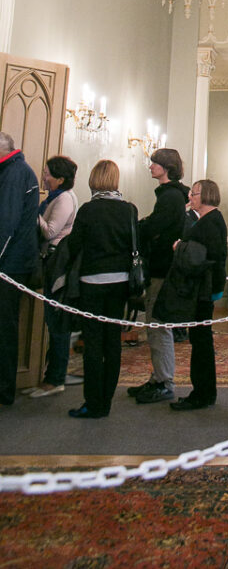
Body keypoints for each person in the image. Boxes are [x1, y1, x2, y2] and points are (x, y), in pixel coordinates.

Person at [66, 159, 133, 419]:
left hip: (92, 282)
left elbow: (74, 246)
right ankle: (106, 400)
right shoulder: (128, 210)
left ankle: (92, 402)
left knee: (93, 342)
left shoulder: (88, 210)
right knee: (112, 342)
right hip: (120, 281)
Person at [128, 147, 190, 405]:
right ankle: (158, 377)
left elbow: (157, 227)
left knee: (158, 325)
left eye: (154, 163)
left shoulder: (170, 197)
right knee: (156, 326)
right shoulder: (172, 195)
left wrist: (140, 228)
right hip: (164, 265)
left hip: (163, 267)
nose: (150, 166)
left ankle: (164, 381)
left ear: (166, 167)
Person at [170, 179, 227, 412]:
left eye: (194, 194)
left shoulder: (210, 222)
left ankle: (202, 393)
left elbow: (206, 256)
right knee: (200, 339)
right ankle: (203, 391)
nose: (190, 198)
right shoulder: (209, 220)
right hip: (206, 287)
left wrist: (179, 247)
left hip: (204, 288)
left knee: (201, 341)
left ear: (206, 196)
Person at [28, 155, 78, 397]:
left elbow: (50, 232)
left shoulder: (64, 199)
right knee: (51, 319)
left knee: (57, 321)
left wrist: (30, 210)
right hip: (49, 261)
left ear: (60, 178)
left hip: (56, 264)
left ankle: (55, 377)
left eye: (47, 173)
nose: (44, 177)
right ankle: (50, 374)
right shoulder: (54, 198)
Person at [0, 131, 39, 407]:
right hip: (13, 262)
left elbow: (6, 223)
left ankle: (3, 390)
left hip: (9, 264)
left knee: (4, 327)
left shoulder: (14, 174)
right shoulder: (15, 171)